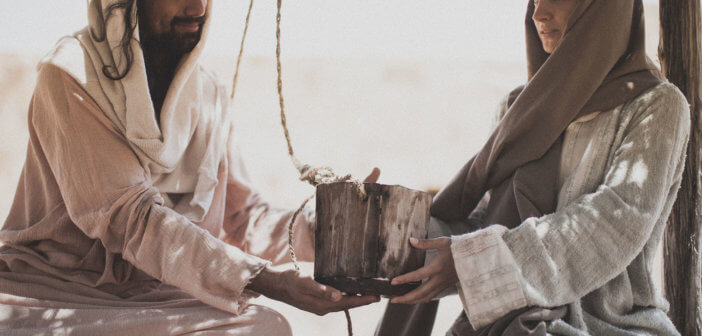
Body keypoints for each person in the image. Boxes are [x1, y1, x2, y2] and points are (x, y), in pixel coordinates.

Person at [0, 0, 380, 334]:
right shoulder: (70, 73)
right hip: (58, 292)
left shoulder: (208, 95)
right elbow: (131, 217)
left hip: (160, 298)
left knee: (264, 327)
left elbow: (244, 221)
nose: (198, 8)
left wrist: (331, 226)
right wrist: (268, 281)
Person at [378, 0, 690, 335]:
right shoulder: (519, 106)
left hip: (612, 326)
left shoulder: (656, 106)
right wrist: (382, 234)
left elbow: (615, 223)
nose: (538, 13)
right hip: (507, 323)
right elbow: (484, 224)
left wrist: (477, 263)